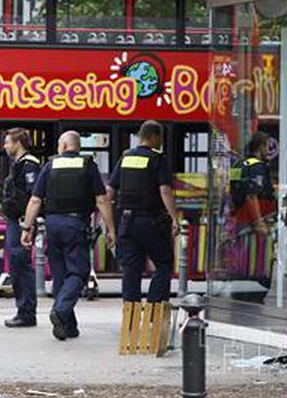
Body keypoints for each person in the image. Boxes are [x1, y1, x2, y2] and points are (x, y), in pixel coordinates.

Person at [21, 131, 115, 341]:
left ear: (63, 146)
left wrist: (27, 228)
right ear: (76, 147)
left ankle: (68, 327)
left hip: (52, 225)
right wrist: (110, 229)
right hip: (75, 224)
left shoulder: (50, 165)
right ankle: (61, 310)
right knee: (79, 273)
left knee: (60, 275)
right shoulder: (88, 165)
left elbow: (35, 200)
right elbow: (101, 200)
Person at [107, 120, 178, 353]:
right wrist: (175, 218)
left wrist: (110, 225)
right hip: (152, 223)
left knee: (131, 271)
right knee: (164, 264)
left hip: (127, 223)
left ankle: (130, 320)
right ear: (155, 136)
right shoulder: (158, 159)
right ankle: (154, 311)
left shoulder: (125, 158)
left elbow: (110, 192)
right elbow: (165, 191)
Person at [1, 128, 42, 327]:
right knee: (16, 266)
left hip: (20, 223)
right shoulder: (18, 165)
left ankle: (26, 313)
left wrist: (27, 225)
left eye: (8, 142)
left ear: (17, 143)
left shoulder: (29, 166)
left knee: (21, 266)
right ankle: (23, 310)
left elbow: (33, 196)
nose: (5, 145)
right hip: (16, 221)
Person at [228, 131, 276, 302]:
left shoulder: (238, 165)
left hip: (239, 223)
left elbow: (231, 194)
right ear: (260, 147)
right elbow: (252, 195)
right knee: (259, 263)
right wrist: (259, 223)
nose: (269, 151)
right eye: (267, 147)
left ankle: (241, 294)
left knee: (242, 261)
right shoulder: (258, 167)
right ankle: (255, 296)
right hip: (254, 226)